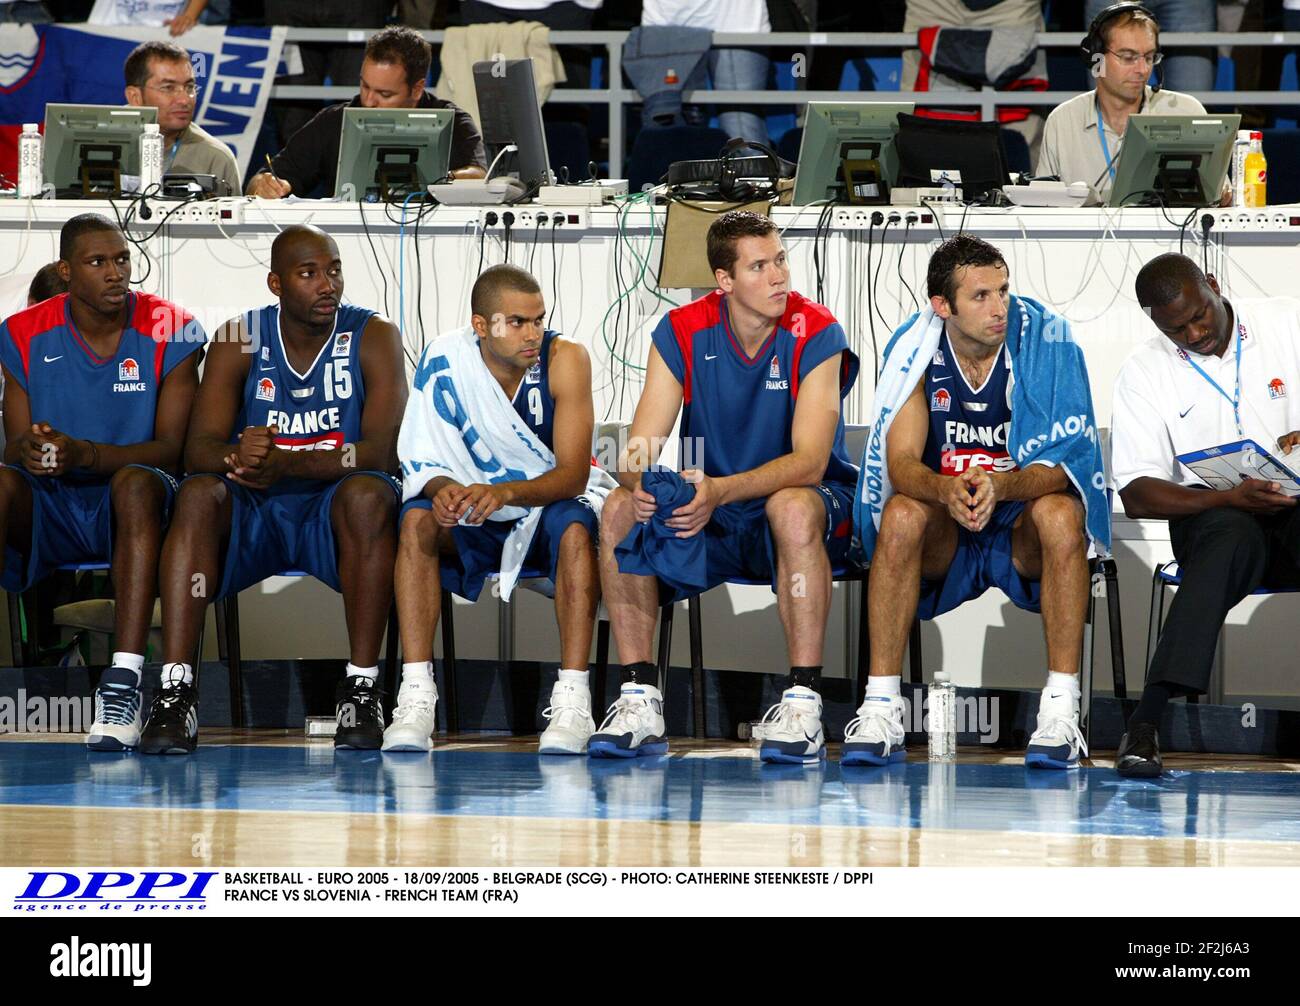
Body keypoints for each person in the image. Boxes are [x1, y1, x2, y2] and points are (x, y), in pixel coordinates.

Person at [599, 209, 859, 763]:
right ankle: (639, 697)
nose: (778, 276)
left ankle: (804, 704)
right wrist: (638, 481)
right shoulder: (682, 329)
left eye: (780, 260)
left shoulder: (818, 330)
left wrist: (719, 489)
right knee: (619, 508)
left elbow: (811, 463)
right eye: (759, 266)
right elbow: (639, 446)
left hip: (805, 508)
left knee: (791, 506)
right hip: (715, 510)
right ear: (724, 279)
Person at [145, 224, 407, 754]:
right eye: (309, 273)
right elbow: (197, 450)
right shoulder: (239, 337)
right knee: (197, 494)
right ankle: (176, 690)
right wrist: (236, 457)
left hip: (333, 509)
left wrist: (289, 462)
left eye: (334, 270)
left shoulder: (373, 334)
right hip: (258, 509)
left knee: (369, 494)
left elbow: (381, 452)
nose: (327, 285)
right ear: (276, 284)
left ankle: (361, 688)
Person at [852, 234, 1108, 770]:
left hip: (1018, 522)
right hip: (947, 522)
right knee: (900, 514)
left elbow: (1067, 466)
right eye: (981, 296)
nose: (999, 307)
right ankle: (881, 707)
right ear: (942, 306)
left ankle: (1060, 710)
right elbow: (901, 464)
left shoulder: (1048, 340)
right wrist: (945, 489)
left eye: (1004, 291)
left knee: (1062, 513)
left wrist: (1003, 485)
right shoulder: (915, 349)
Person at [0, 213, 205, 751]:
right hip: (53, 507)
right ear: (67, 272)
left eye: (122, 260)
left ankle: (124, 682)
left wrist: (85, 454)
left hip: (138, 504)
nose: (116, 273)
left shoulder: (173, 327)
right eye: (98, 262)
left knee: (136, 484)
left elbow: (174, 450)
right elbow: (14, 445)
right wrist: (31, 449)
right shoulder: (21, 332)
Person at [392, 264, 610, 754]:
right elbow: (422, 455)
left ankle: (573, 698)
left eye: (538, 320)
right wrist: (444, 489)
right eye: (517, 322)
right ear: (481, 325)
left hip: (541, 504)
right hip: (474, 509)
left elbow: (572, 475)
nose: (533, 334)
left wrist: (506, 493)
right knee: (416, 519)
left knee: (576, 527)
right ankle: (416, 694)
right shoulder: (445, 359)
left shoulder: (566, 358)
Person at [1111, 253, 1300, 777]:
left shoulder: (1287, 323)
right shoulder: (1144, 371)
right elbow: (1137, 493)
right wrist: (1228, 497)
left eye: (1200, 316)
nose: (1194, 334)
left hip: (1293, 509)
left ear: (1213, 285)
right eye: (1176, 329)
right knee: (1228, 537)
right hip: (1214, 517)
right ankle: (1146, 724)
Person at [248, 26, 487, 199]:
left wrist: (441, 181)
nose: (369, 101)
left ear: (416, 89)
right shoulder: (333, 121)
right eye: (365, 86)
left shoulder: (453, 121)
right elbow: (264, 178)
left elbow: (479, 175)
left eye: (384, 94)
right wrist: (263, 184)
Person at [1037, 3, 1207, 199]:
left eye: (1149, 57)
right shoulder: (1062, 121)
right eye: (1128, 57)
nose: (1142, 70)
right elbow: (1042, 205)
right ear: (1096, 59)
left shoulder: (1186, 112)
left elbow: (1217, 197)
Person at [123, 40, 242, 198]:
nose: (185, 100)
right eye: (168, 88)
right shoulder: (97, 145)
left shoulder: (216, 158)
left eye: (189, 87)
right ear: (135, 97)